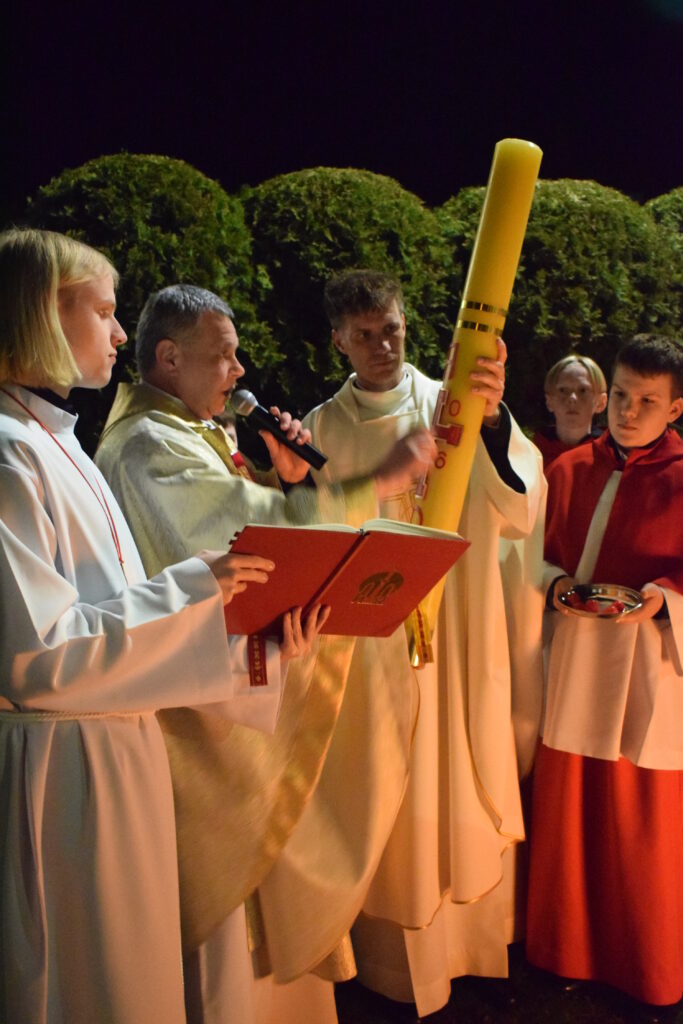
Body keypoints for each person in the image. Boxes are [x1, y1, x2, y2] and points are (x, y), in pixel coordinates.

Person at [0, 229, 324, 1024]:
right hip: (62, 775)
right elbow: (38, 655)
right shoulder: (10, 455)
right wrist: (196, 586)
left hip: (114, 753)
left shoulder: (56, 443)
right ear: (39, 313)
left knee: (134, 984)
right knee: (89, 986)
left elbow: (113, 615)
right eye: (103, 312)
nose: (120, 334)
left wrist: (253, 651)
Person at [94, 283, 436, 1023]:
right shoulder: (149, 443)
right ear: (168, 357)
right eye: (224, 356)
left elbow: (242, 514)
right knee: (224, 922)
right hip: (202, 708)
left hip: (233, 681)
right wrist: (376, 481)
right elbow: (241, 538)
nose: (239, 370)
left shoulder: (182, 427)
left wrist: (289, 477)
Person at [291, 269, 547, 1017]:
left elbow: (518, 506)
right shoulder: (322, 428)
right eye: (365, 335)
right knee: (388, 793)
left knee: (457, 772)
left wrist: (492, 424)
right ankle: (390, 967)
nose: (383, 346)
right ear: (338, 341)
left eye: (393, 330)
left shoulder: (451, 403)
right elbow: (310, 528)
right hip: (370, 646)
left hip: (457, 630)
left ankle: (469, 951)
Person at [526, 333, 683, 1009]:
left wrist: (664, 599)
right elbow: (529, 558)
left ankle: (647, 969)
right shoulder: (565, 470)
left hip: (646, 673)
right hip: (575, 664)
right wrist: (554, 583)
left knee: (641, 823)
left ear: (675, 409)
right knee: (569, 811)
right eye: (619, 395)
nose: (627, 411)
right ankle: (562, 950)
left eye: (646, 401)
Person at [533, 354, 607, 470]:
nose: (572, 398)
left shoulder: (612, 458)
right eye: (563, 390)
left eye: (583, 390)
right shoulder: (530, 456)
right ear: (549, 401)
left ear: (601, 402)